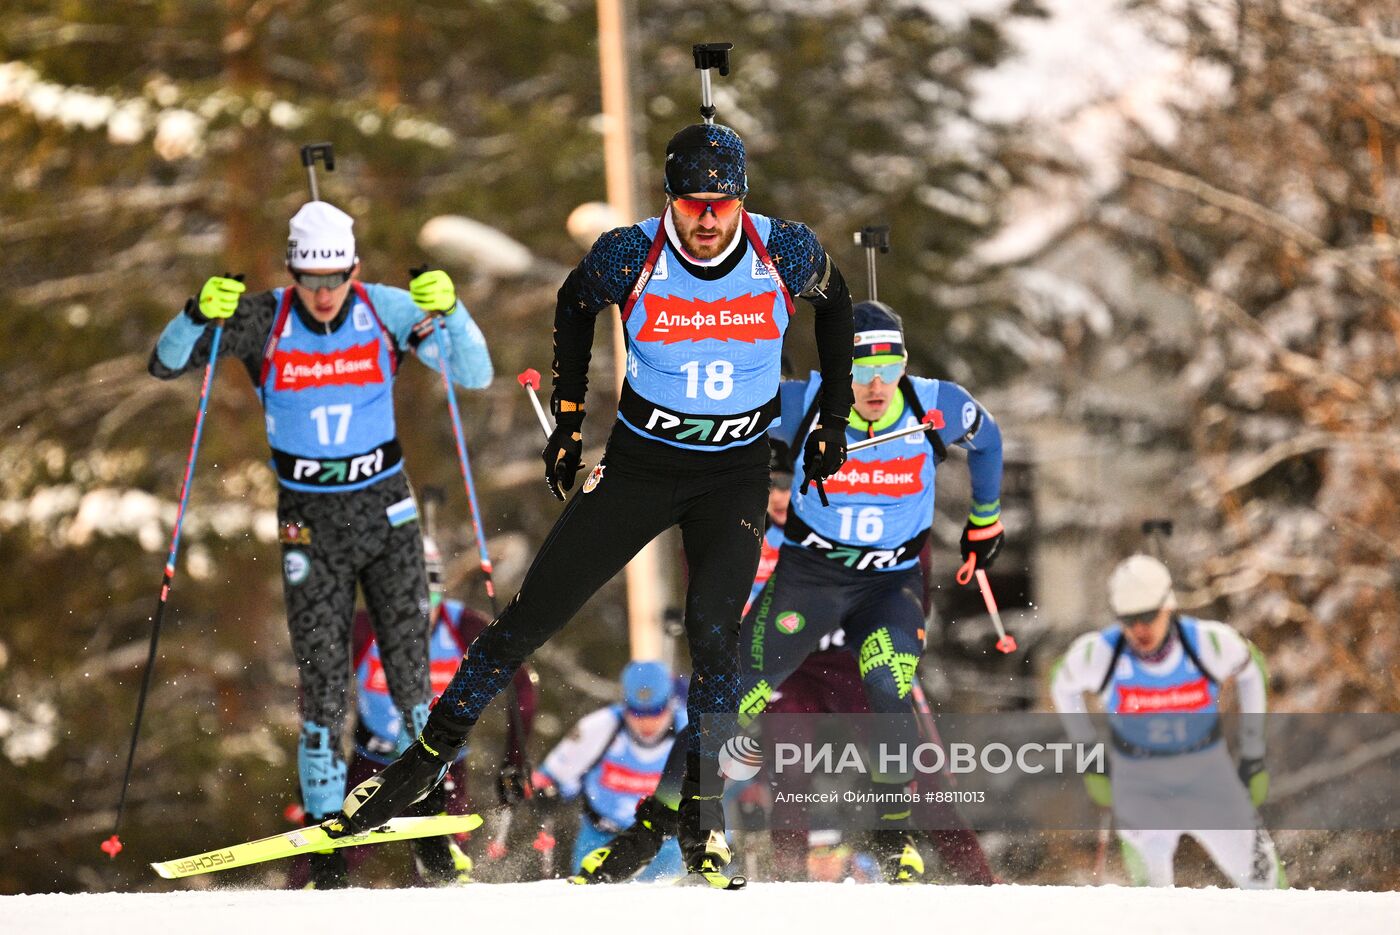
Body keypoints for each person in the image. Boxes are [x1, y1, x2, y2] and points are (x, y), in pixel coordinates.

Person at [332, 121, 856, 884]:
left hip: (734, 474)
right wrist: (569, 417)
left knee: (716, 641)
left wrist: (835, 417)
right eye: (691, 203)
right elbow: (575, 303)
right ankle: (418, 765)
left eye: (721, 203)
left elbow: (837, 304)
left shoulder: (785, 249)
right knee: (530, 616)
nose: (707, 220)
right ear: (670, 201)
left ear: (741, 200)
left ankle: (700, 823)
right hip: (644, 464)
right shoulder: (630, 251)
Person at [572, 300, 1004, 884]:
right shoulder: (802, 403)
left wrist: (986, 519)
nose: (875, 385)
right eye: (858, 370)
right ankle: (651, 828)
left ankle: (910, 843)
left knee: (890, 692)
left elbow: (989, 439)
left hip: (887, 585)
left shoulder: (936, 405)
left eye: (889, 366)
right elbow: (711, 415)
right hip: (812, 583)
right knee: (728, 708)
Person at [148, 201, 493, 888]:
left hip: (386, 510)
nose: (326, 293)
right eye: (312, 279)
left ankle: (428, 823)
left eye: (336, 276)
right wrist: (193, 314)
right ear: (292, 272)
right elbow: (165, 364)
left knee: (411, 676)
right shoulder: (265, 317)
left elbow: (474, 373)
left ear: (355, 268)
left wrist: (453, 312)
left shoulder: (387, 309)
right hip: (309, 517)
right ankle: (328, 852)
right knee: (324, 686)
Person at [285, 532, 537, 888]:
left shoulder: (465, 627)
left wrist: (516, 755)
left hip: (440, 766)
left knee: (439, 870)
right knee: (324, 859)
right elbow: (317, 687)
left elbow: (520, 683)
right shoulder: (360, 629)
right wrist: (318, 761)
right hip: (373, 763)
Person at [1049, 554, 1285, 889]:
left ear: (1167, 606)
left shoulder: (1209, 642)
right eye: (1128, 620)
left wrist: (1253, 754)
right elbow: (1061, 682)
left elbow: (1252, 669)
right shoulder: (1100, 654)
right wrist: (1091, 761)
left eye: (1147, 616)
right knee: (1153, 905)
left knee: (1270, 889)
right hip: (1140, 788)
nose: (1139, 629)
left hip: (1209, 779)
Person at [531, 661, 688, 882]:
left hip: (667, 847)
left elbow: (714, 794)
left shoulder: (690, 729)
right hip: (600, 840)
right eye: (636, 712)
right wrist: (546, 789)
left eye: (656, 711)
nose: (646, 722)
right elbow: (551, 776)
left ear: (670, 702)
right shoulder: (599, 727)